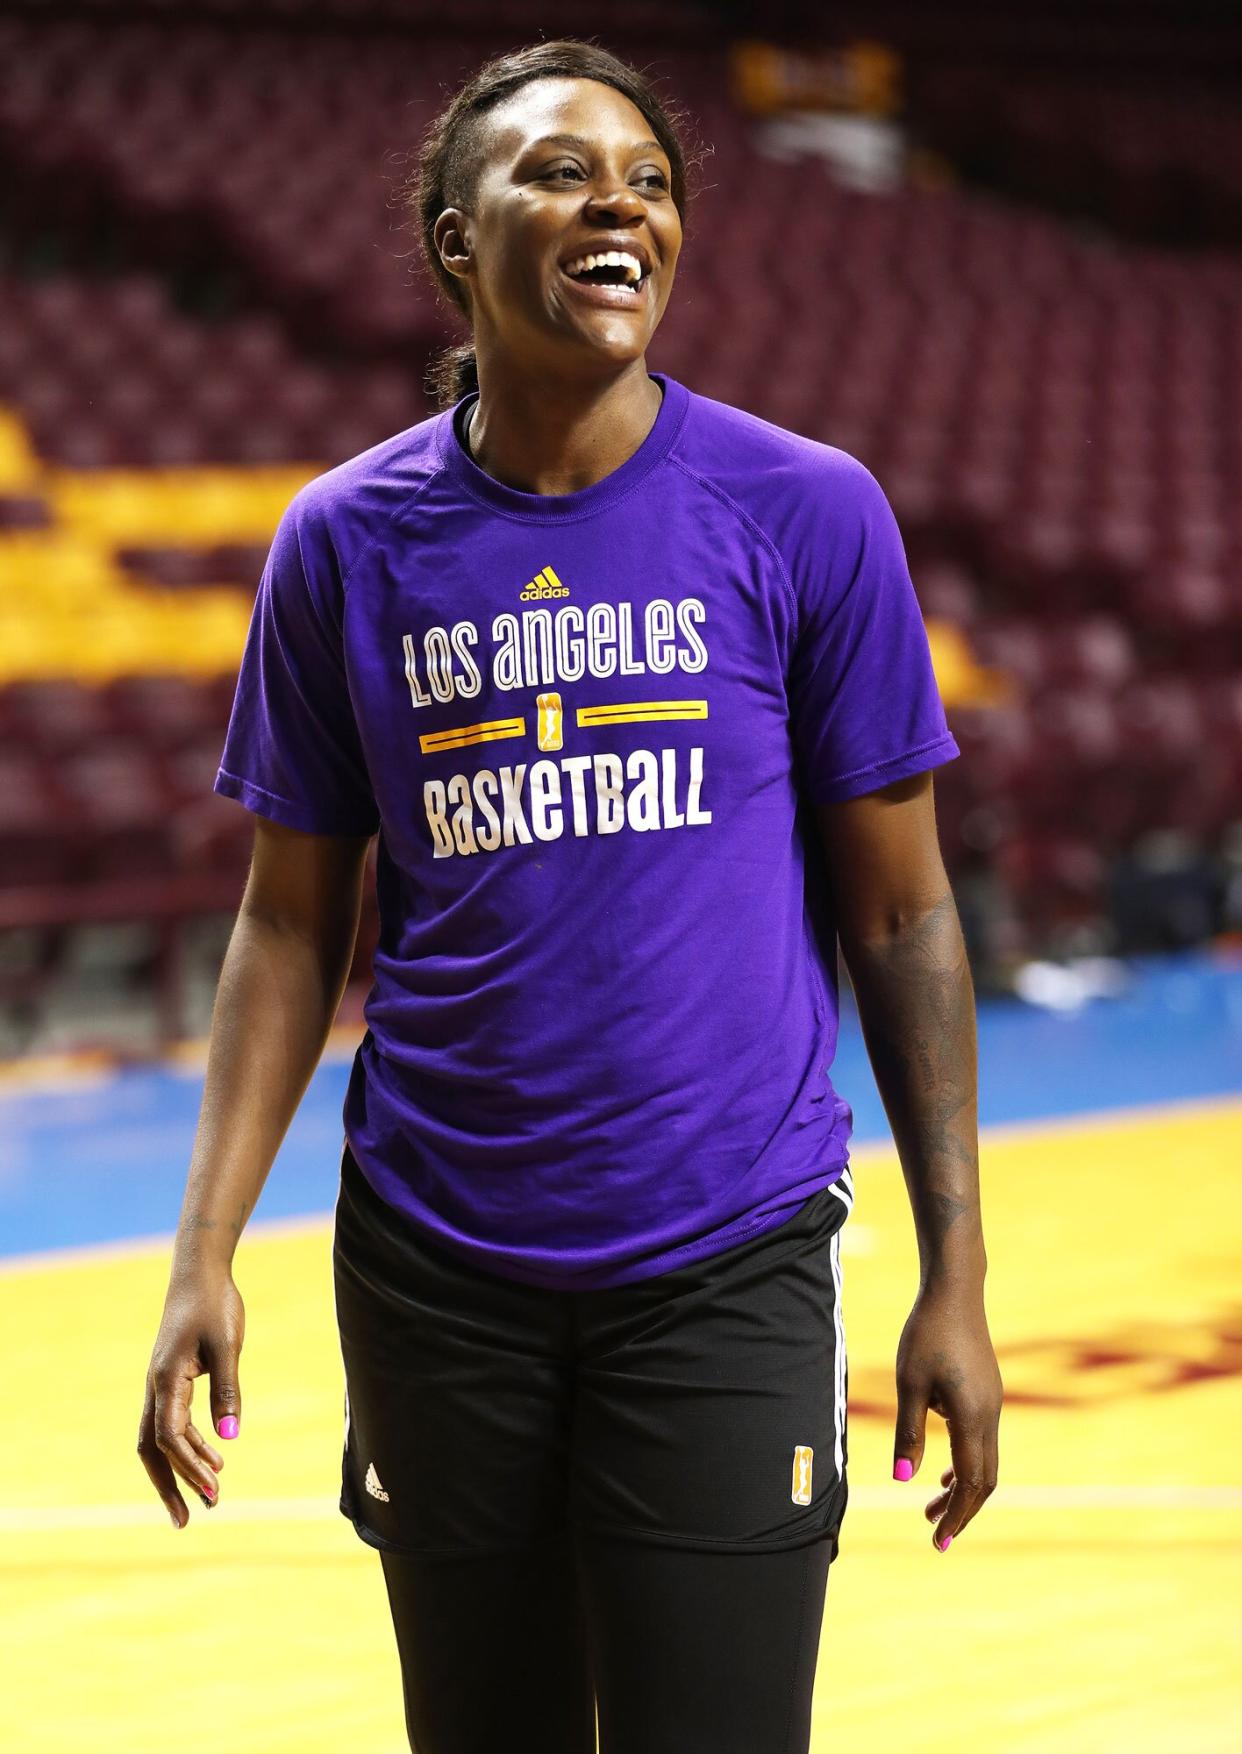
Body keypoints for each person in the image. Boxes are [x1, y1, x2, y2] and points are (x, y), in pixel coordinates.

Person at [137, 37, 1003, 1754]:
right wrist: (203, 1249)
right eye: (554, 171)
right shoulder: (342, 540)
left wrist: (956, 1275)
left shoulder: (805, 514)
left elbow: (903, 919)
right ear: (456, 243)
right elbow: (290, 921)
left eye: (650, 178)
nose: (618, 200)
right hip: (433, 1267)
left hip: (724, 1259)